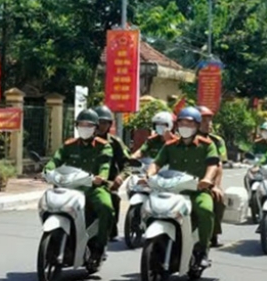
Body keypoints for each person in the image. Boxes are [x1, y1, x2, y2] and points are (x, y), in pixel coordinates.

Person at [147, 107, 220, 266]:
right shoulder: (170, 146)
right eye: (182, 123)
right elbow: (156, 163)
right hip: (174, 191)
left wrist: (207, 179)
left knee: (205, 209)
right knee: (152, 208)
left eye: (190, 124)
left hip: (197, 191)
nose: (185, 127)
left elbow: (213, 164)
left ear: (197, 126)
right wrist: (149, 175)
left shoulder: (207, 145)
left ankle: (203, 250)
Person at [45, 109, 115, 254]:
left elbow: (105, 165)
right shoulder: (69, 145)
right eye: (81, 125)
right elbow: (56, 160)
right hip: (70, 187)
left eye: (89, 125)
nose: (85, 128)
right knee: (49, 204)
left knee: (106, 206)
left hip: (93, 188)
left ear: (96, 128)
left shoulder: (104, 146)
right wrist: (48, 170)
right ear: (76, 126)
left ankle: (100, 244)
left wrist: (101, 177)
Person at [95, 106, 129, 240]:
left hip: (107, 182)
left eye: (105, 123)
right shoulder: (82, 140)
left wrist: (120, 177)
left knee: (113, 198)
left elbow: (127, 163)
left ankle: (110, 229)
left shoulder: (115, 143)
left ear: (110, 125)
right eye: (99, 122)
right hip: (84, 180)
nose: (101, 126)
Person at [197, 106, 228, 247]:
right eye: (204, 120)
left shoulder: (216, 141)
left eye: (210, 120)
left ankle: (213, 233)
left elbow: (218, 164)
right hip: (184, 180)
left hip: (206, 181)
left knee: (218, 200)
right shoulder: (182, 139)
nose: (208, 124)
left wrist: (216, 185)